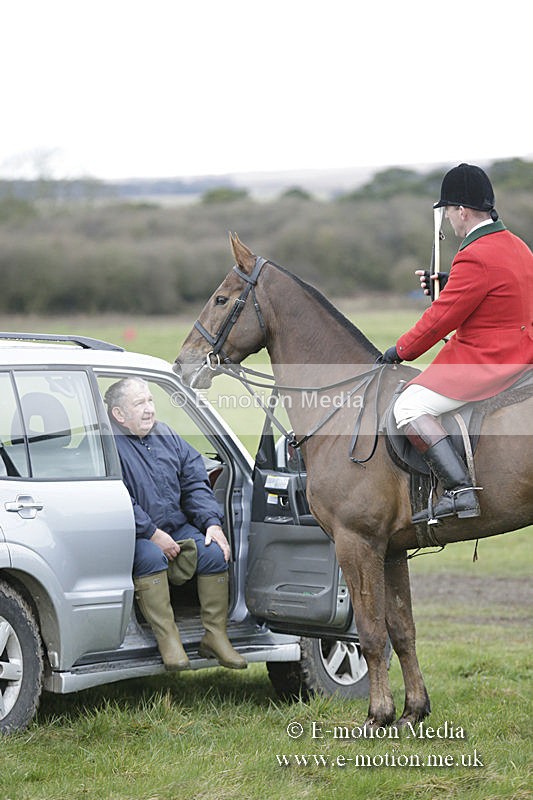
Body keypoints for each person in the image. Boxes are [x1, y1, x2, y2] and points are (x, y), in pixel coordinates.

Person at [380, 163, 533, 523]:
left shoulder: (474, 255)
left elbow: (439, 322)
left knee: (408, 408)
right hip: (523, 352)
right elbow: (503, 295)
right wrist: (451, 283)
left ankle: (460, 491)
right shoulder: (515, 244)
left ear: (461, 210)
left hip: (490, 361)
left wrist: (398, 351)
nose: (449, 219)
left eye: (448, 211)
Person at [105, 377, 247, 670]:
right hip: (133, 535)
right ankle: (169, 639)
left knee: (214, 551)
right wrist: (152, 533)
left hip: (175, 526)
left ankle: (215, 636)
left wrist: (211, 523)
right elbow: (117, 499)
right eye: (139, 404)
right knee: (150, 556)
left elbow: (194, 480)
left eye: (150, 401)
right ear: (118, 415)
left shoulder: (166, 434)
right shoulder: (107, 445)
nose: (149, 410)